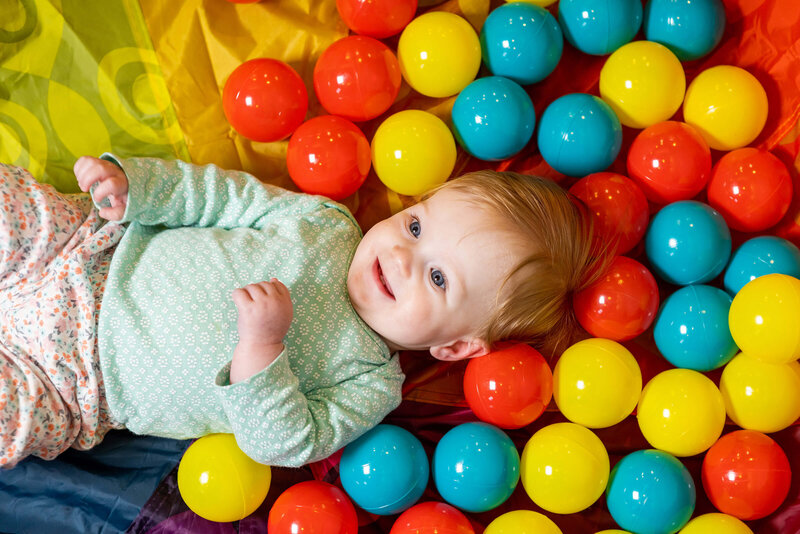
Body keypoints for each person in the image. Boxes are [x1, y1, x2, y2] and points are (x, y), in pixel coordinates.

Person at [0, 154, 607, 469]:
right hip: (79, 251)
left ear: (454, 348)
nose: (401, 255)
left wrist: (262, 348)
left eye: (440, 277)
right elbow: (220, 198)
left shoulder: (370, 383)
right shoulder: (323, 223)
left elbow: (285, 443)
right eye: (417, 225)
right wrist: (136, 186)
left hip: (70, 385)